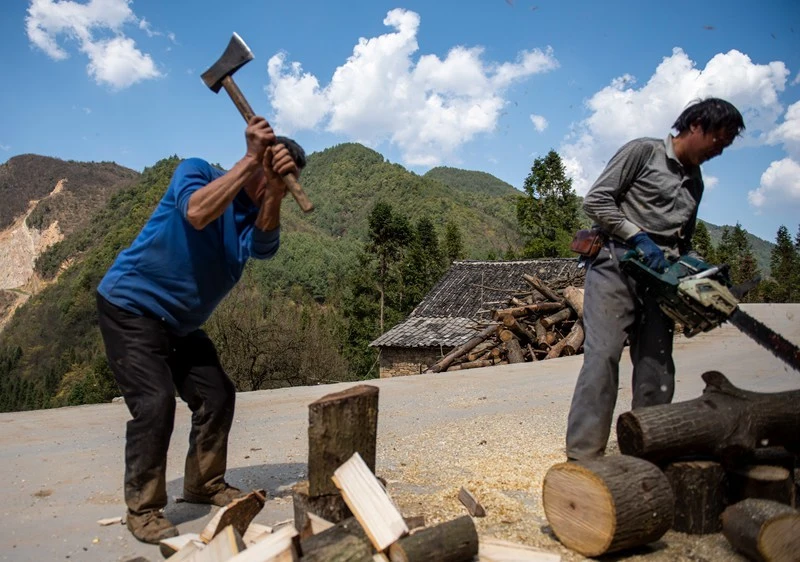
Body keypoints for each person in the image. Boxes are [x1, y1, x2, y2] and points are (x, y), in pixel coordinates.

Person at [96, 116, 306, 543]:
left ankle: (203, 484)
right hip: (130, 307)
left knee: (217, 394)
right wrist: (252, 160)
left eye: (283, 181)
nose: (272, 185)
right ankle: (144, 507)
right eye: (273, 175)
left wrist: (276, 192)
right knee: (155, 403)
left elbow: (265, 248)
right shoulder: (195, 171)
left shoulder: (257, 214)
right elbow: (195, 213)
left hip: (180, 324)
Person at [565, 98, 745, 461]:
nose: (718, 151)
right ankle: (583, 457)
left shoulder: (695, 183)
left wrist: (697, 271)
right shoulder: (643, 152)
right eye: (717, 141)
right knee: (602, 357)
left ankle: (649, 450)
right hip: (614, 264)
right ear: (696, 126)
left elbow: (683, 241)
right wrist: (637, 235)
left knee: (657, 365)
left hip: (660, 279)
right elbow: (596, 201)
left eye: (725, 147)